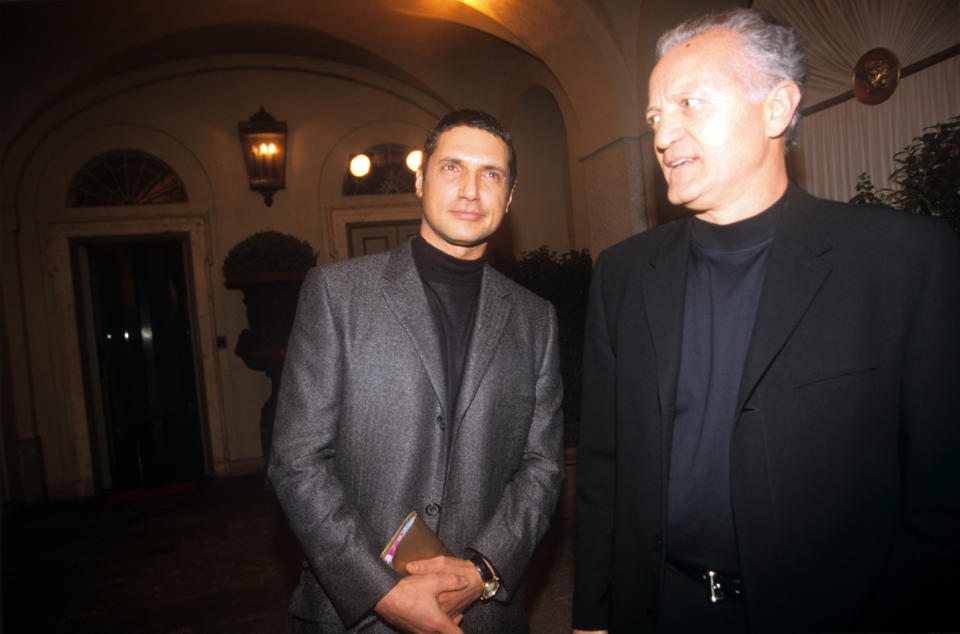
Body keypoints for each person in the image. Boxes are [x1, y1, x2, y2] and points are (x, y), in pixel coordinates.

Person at [573, 8, 959, 633]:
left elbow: (940, 494)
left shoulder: (903, 260)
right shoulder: (622, 274)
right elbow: (603, 468)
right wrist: (592, 616)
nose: (664, 135)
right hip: (664, 609)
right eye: (654, 116)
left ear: (777, 109)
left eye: (689, 103)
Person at [269, 109, 564, 633]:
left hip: (483, 616)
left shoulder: (535, 319)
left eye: (491, 174)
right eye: (452, 168)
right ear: (420, 180)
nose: (471, 190)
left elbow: (541, 466)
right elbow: (297, 461)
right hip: (356, 617)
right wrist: (380, 593)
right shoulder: (337, 295)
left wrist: (485, 569)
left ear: (510, 196)